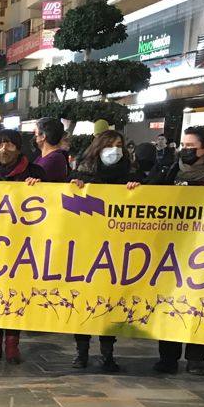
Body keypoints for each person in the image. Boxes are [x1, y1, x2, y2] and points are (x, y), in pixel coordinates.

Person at [132, 125, 204, 376]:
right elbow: (150, 190)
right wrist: (137, 187)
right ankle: (167, 357)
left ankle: (196, 358)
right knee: (169, 302)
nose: (185, 150)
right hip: (173, 247)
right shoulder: (170, 169)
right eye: (184, 145)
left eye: (191, 146)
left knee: (200, 301)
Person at [67, 129, 137, 372]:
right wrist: (76, 187)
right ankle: (81, 353)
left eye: (119, 145)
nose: (115, 150)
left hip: (115, 247)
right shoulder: (83, 170)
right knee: (84, 301)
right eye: (110, 145)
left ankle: (108, 354)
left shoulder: (129, 172)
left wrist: (136, 189)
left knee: (110, 303)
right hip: (86, 247)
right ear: (99, 147)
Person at [0, 129, 44, 364]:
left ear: (19, 147)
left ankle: (12, 344)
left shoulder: (35, 173)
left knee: (16, 295)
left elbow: (54, 202)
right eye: (0, 145)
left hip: (23, 247)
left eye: (10, 145)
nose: (4, 149)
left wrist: (40, 188)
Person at [30, 118, 70, 182]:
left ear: (43, 136)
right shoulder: (45, 156)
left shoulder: (54, 158)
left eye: (35, 133)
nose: (34, 137)